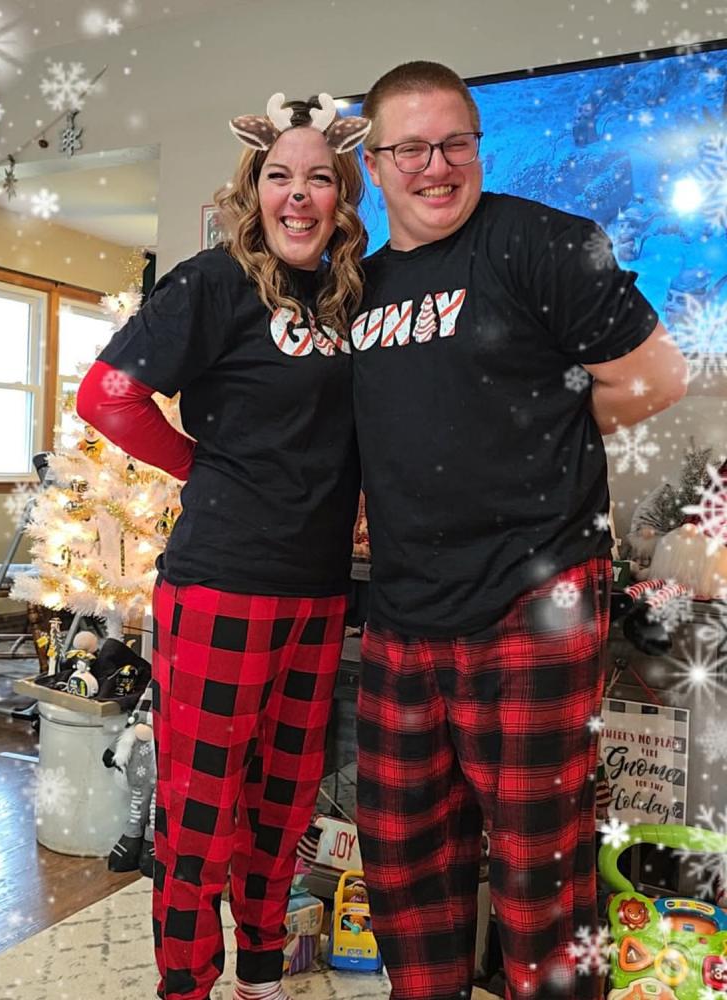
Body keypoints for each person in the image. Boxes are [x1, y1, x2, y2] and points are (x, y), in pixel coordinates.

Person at [351, 61, 688, 1000]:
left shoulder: (542, 242)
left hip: (535, 593)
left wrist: (541, 430)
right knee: (403, 860)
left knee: (542, 870)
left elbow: (659, 376)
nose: (436, 166)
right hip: (404, 605)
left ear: (477, 146)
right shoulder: (358, 288)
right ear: (374, 165)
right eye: (410, 149)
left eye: (455, 143)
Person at [77, 92, 370, 1000]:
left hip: (320, 590)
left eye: (318, 177)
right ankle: (186, 984)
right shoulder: (212, 283)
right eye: (279, 175)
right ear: (255, 188)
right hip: (222, 585)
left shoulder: (357, 295)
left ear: (343, 193)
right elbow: (106, 395)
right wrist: (195, 465)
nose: (298, 195)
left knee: (284, 806)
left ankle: (261, 975)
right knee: (200, 816)